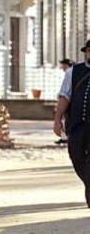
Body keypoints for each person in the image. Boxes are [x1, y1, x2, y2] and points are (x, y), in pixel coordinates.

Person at [54, 40, 90, 208]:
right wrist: (57, 120)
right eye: (88, 51)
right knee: (76, 156)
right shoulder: (73, 72)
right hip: (76, 125)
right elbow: (64, 96)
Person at [55, 58, 75, 145]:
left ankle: (65, 137)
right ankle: (64, 136)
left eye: (63, 65)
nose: (62, 67)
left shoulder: (71, 72)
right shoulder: (70, 73)